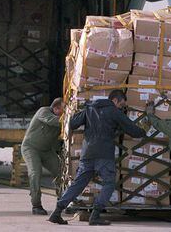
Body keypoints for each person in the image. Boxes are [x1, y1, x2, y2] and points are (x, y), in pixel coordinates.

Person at [49, 90, 146, 226]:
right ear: (115, 101)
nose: (121, 108)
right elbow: (133, 130)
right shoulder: (114, 112)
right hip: (104, 154)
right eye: (121, 105)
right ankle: (95, 215)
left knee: (78, 183)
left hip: (87, 153)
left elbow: (72, 124)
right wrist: (144, 130)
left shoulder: (90, 108)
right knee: (109, 183)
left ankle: (57, 212)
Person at [21, 98, 64, 215]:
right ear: (55, 108)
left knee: (60, 171)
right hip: (31, 148)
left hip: (46, 150)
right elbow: (52, 121)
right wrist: (69, 119)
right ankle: (36, 205)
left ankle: (63, 201)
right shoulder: (43, 111)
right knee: (35, 172)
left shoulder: (61, 119)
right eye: (62, 110)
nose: (63, 113)